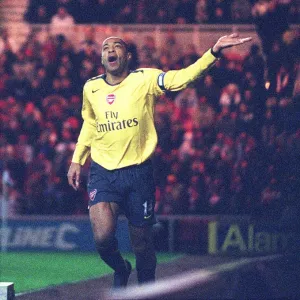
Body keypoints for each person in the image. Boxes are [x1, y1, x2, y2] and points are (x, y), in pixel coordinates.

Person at [67, 33, 252, 288]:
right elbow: (90, 123)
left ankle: (147, 291)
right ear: (101, 58)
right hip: (103, 171)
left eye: (116, 46)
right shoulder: (91, 87)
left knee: (142, 245)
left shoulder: (144, 79)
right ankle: (121, 268)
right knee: (102, 237)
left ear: (127, 56)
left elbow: (183, 77)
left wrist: (214, 52)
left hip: (138, 173)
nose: (110, 50)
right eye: (105, 47)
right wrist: (77, 159)